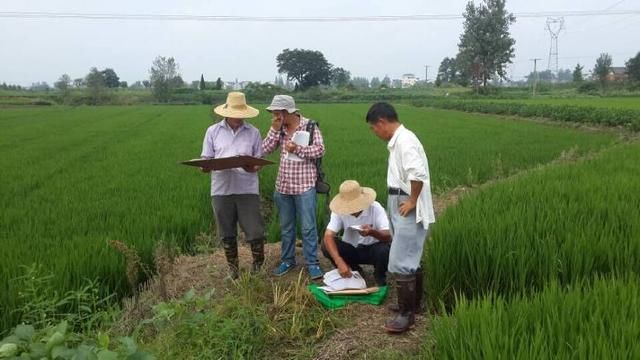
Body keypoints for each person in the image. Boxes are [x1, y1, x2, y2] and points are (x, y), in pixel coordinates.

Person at [366, 102, 435, 334]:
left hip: (406, 201)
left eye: (374, 128)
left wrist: (413, 200)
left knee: (401, 258)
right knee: (409, 254)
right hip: (398, 200)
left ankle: (407, 315)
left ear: (382, 122)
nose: (375, 133)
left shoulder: (405, 141)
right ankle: (413, 305)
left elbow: (417, 173)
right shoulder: (397, 142)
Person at [200, 92, 266, 280]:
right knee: (226, 232)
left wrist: (252, 166)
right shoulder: (213, 132)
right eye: (235, 115)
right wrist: (205, 167)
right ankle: (233, 270)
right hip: (221, 189)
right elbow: (206, 158)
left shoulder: (253, 132)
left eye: (241, 115)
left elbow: (258, 161)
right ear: (226, 113)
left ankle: (257, 267)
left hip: (247, 188)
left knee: (255, 231)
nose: (239, 118)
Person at [262, 95, 325, 280]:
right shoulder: (278, 129)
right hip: (283, 187)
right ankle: (288, 260)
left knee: (308, 227)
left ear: (287, 111)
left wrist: (296, 149)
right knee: (286, 227)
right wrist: (273, 130)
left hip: (305, 185)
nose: (275, 116)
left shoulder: (310, 126)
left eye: (277, 112)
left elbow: (320, 150)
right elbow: (264, 149)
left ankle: (312, 263)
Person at [321, 180, 391, 286]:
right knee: (325, 245)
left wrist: (372, 232)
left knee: (384, 250)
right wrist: (338, 261)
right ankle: (353, 269)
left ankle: (379, 275)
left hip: (373, 249)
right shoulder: (339, 210)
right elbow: (328, 235)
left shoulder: (375, 208)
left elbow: (387, 236)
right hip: (352, 249)